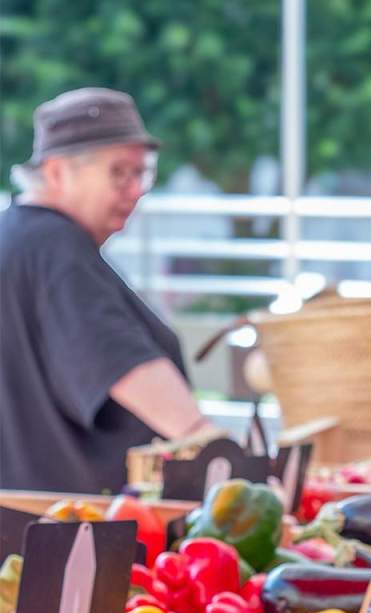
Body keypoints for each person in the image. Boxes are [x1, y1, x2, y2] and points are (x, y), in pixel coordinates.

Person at [0, 87, 214, 494]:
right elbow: (117, 357)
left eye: (142, 173)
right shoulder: (54, 248)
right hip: (77, 529)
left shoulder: (16, 237)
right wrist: (211, 445)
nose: (136, 190)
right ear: (57, 172)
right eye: (119, 172)